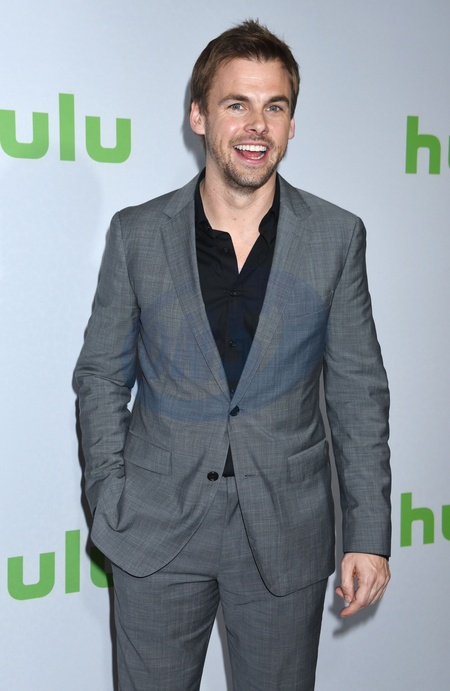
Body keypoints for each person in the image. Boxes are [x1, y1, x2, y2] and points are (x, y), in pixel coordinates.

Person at [75, 19, 391, 691]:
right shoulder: (137, 234)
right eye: (236, 104)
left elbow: (358, 393)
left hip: (285, 531)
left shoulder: (336, 237)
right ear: (199, 116)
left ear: (292, 123)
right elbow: (101, 375)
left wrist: (368, 533)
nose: (257, 126)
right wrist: (108, 495)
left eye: (275, 107)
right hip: (154, 529)